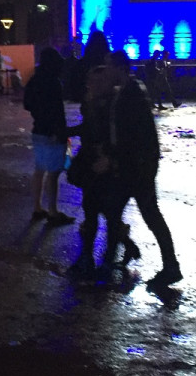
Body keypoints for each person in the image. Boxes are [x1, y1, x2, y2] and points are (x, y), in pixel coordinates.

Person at [102, 50, 182, 288]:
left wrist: (116, 158)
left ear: (119, 68)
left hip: (135, 167)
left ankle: (168, 265)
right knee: (122, 211)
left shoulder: (130, 94)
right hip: (137, 165)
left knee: (141, 214)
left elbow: (131, 135)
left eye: (109, 66)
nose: (106, 71)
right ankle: (120, 257)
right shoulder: (131, 90)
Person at [66, 63, 140, 279]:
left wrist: (109, 156)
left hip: (109, 166)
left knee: (110, 214)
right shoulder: (91, 103)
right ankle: (89, 257)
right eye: (90, 82)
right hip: (92, 162)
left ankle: (107, 258)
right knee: (92, 211)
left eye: (97, 82)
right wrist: (67, 132)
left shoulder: (115, 104)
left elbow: (123, 136)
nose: (92, 85)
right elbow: (88, 129)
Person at [22, 47, 74, 225]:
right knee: (53, 173)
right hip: (53, 133)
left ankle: (37, 207)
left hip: (38, 130)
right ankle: (53, 210)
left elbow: (27, 104)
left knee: (40, 170)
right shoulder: (54, 82)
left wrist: (38, 113)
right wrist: (61, 132)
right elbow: (57, 111)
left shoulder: (35, 80)